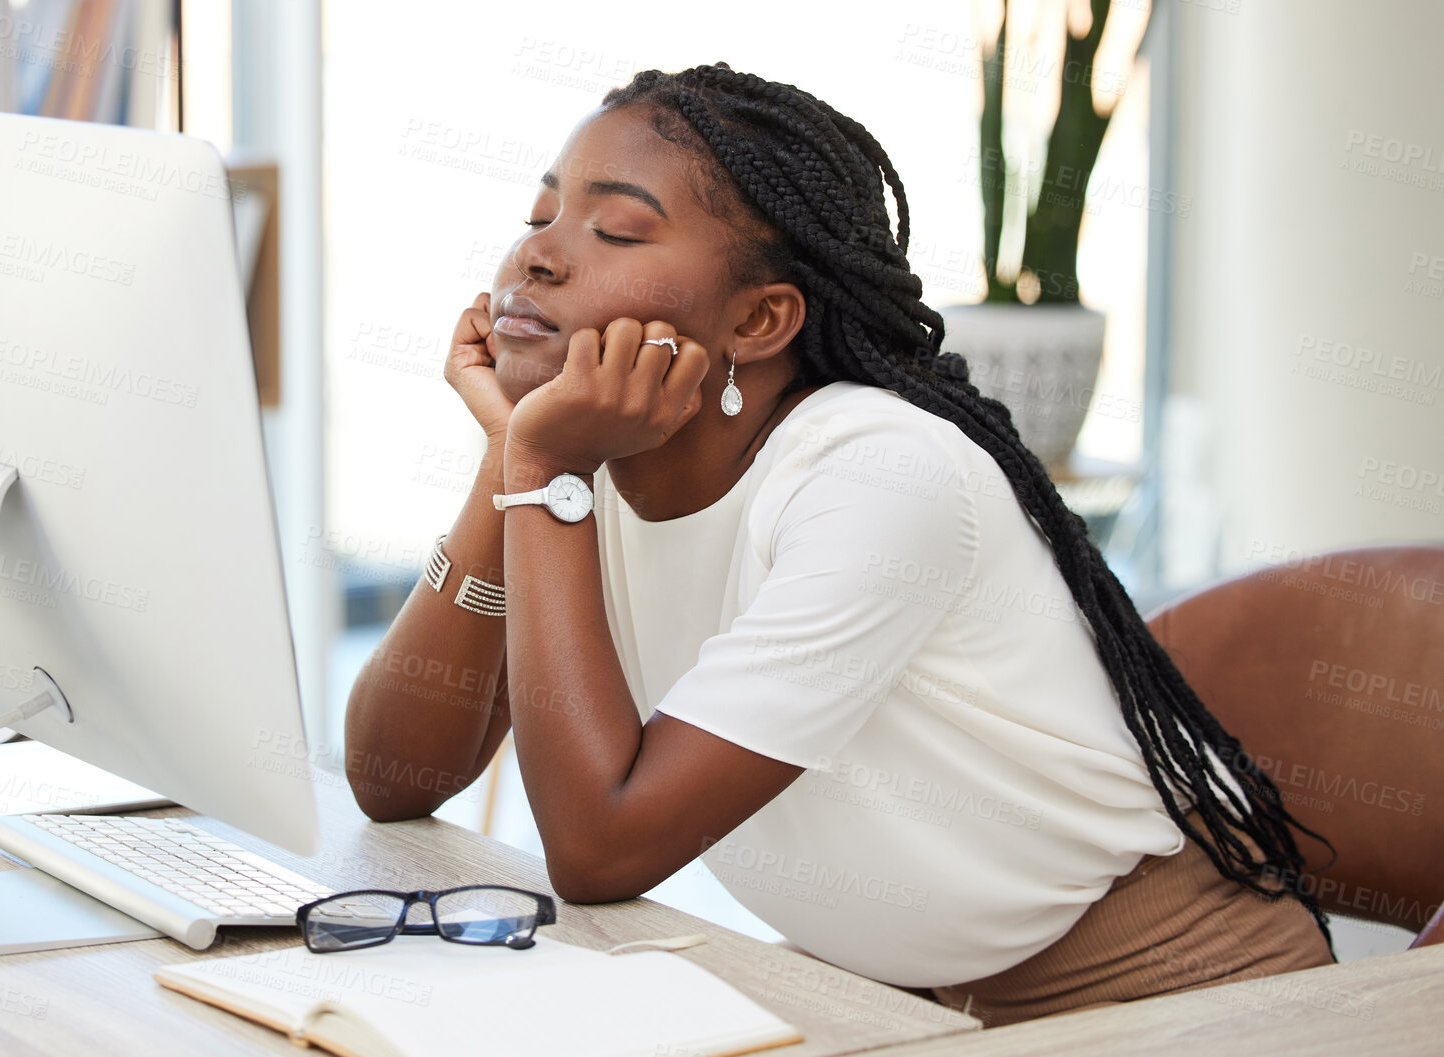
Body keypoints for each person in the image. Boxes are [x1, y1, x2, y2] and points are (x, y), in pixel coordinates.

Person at [343, 62, 1333, 1025]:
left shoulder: (877, 474)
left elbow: (600, 850)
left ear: (760, 319)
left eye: (616, 229)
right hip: (900, 995)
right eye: (539, 217)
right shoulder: (587, 461)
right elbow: (395, 779)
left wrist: (542, 472)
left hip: (1171, 993)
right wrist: (512, 459)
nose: (537, 256)